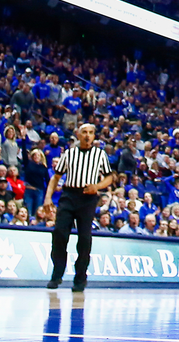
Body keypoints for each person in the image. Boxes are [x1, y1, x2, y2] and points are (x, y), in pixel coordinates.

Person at [42, 124, 115, 292]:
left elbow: (110, 177)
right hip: (69, 195)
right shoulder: (69, 154)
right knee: (60, 233)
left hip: (88, 198)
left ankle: (80, 277)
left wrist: (97, 186)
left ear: (94, 135)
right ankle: (57, 273)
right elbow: (56, 177)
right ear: (78, 134)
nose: (87, 135)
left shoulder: (99, 154)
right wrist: (47, 198)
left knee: (84, 239)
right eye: (84, 132)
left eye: (90, 132)